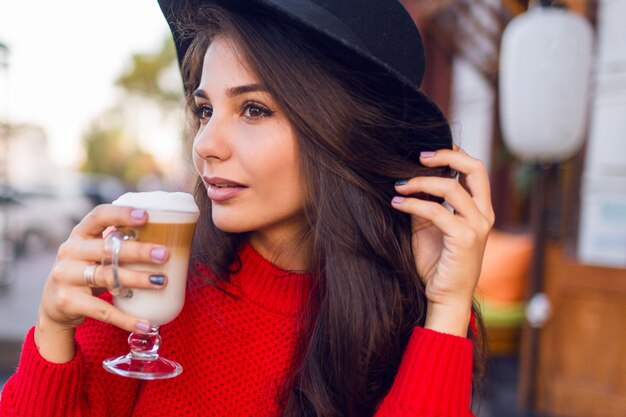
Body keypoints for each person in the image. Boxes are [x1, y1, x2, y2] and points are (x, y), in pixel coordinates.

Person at [0, 0, 494, 416]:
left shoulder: (414, 312)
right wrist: (51, 334)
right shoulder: (150, 281)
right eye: (204, 110)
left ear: (343, 132)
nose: (206, 144)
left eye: (253, 110)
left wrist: (447, 309)